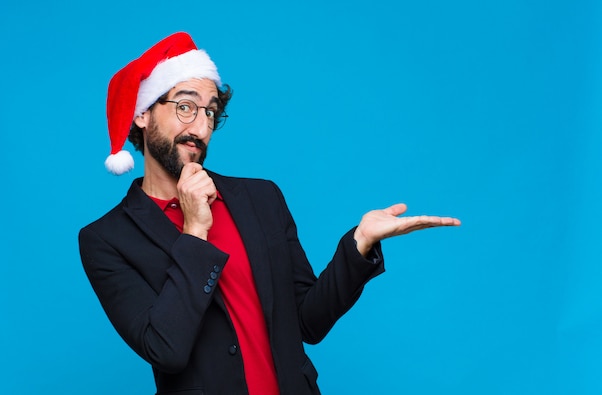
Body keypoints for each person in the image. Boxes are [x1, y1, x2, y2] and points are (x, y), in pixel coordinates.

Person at [78, 32, 460, 395]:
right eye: (185, 107)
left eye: (211, 113)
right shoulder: (106, 239)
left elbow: (307, 321)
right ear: (143, 114)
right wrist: (195, 230)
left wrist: (359, 244)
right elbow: (166, 349)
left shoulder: (260, 199)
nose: (200, 127)